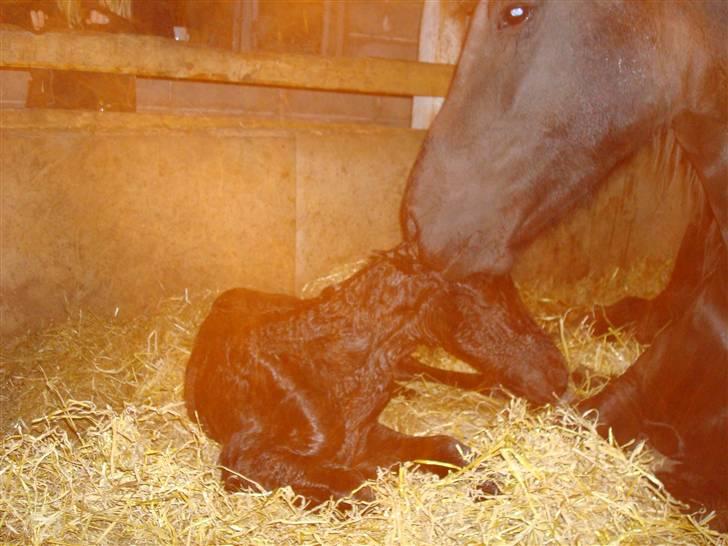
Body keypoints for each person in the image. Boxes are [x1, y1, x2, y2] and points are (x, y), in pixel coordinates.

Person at [0, 0, 175, 111]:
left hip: (111, 123)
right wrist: (26, 19)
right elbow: (11, 11)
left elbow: (165, 44)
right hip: (56, 118)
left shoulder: (140, 6)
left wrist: (118, 27)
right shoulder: (54, 5)